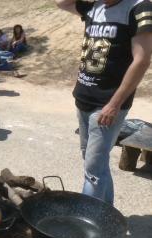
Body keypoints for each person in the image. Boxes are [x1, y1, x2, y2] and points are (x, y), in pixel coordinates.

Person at [54, 0, 152, 205]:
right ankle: (106, 214)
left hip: (107, 103)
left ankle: (86, 224)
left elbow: (142, 60)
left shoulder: (139, 8)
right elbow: (60, 3)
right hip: (84, 97)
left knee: (93, 170)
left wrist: (114, 104)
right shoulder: (93, 6)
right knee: (93, 162)